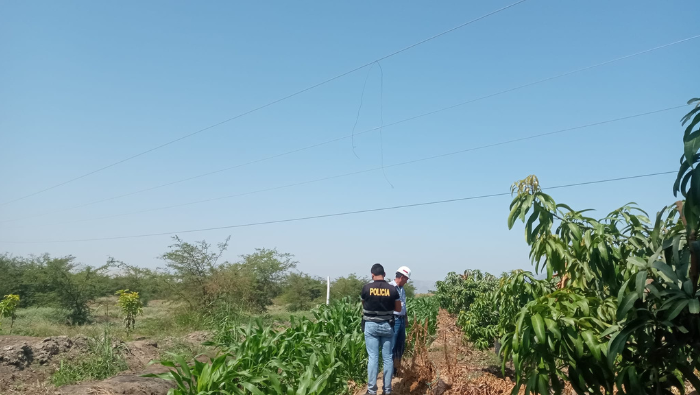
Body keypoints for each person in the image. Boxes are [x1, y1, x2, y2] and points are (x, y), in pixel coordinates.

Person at [361, 263, 401, 395]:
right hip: (387, 325)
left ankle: (372, 391)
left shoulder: (366, 288)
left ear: (372, 274)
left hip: (371, 326)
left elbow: (364, 304)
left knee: (373, 357)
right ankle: (387, 390)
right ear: (384, 274)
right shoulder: (392, 289)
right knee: (388, 358)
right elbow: (398, 309)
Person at [389, 266, 411, 377]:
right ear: (402, 277)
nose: (406, 282)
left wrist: (405, 319)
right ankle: (391, 371)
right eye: (406, 279)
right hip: (394, 319)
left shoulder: (402, 289)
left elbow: (403, 305)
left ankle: (397, 368)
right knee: (392, 345)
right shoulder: (390, 287)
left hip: (401, 320)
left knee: (400, 345)